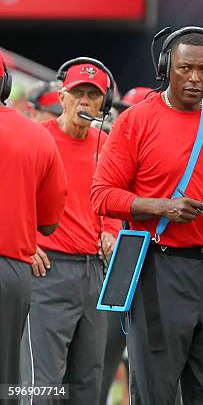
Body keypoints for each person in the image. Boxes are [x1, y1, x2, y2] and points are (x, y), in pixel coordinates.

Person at [91, 27, 203, 404]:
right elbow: (101, 195)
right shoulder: (136, 120)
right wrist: (164, 206)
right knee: (155, 391)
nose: (195, 78)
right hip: (159, 268)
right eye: (185, 68)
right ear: (166, 67)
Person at [20, 58, 121, 405]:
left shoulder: (106, 143)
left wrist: (110, 228)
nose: (85, 102)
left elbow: (113, 198)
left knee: (87, 383)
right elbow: (12, 199)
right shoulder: (38, 139)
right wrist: (28, 242)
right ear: (62, 96)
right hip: (48, 271)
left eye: (93, 96)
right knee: (42, 382)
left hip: (95, 272)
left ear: (103, 103)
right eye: (78, 92)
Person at [0, 52, 67, 390]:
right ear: (5, 85)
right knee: (7, 378)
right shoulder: (38, 136)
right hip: (10, 272)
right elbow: (50, 223)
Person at [99, 85, 155, 405]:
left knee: (153, 369)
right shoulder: (105, 153)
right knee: (99, 365)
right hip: (112, 267)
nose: (122, 119)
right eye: (121, 112)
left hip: (151, 265)